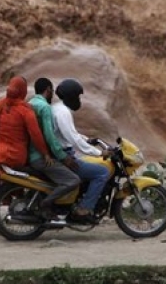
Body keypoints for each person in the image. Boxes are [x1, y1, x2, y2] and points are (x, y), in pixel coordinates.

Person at [52, 78, 112, 224]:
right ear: (71, 96)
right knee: (101, 172)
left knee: (87, 167)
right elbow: (73, 139)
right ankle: (83, 209)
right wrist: (99, 153)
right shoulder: (63, 113)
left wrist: (88, 139)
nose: (79, 100)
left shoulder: (58, 108)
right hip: (63, 156)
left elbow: (70, 134)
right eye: (78, 96)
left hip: (60, 153)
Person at [0, 76, 53, 181]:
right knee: (44, 175)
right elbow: (36, 135)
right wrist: (45, 154)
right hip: (16, 158)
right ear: (23, 91)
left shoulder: (0, 104)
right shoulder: (25, 111)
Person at [28, 77, 81, 220]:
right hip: (40, 157)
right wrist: (63, 157)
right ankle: (46, 204)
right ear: (48, 90)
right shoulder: (45, 107)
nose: (53, 95)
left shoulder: (30, 103)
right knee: (73, 180)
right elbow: (49, 135)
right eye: (52, 91)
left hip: (30, 154)